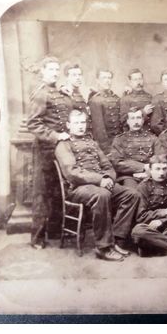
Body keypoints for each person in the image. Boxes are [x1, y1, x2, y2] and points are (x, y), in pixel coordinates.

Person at [54, 110, 139, 260]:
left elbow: (107, 165)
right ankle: (103, 247)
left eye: (83, 122)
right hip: (79, 188)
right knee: (103, 194)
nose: (80, 126)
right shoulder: (63, 145)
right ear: (68, 125)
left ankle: (117, 240)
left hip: (101, 183)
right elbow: (72, 173)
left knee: (132, 195)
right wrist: (100, 180)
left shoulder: (92, 143)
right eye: (76, 123)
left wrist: (108, 178)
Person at [27, 56, 72, 249]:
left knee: (59, 191)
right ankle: (37, 237)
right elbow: (33, 123)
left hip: (61, 149)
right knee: (42, 193)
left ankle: (55, 231)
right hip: (45, 149)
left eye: (56, 70)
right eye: (51, 70)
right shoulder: (40, 93)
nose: (54, 73)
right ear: (42, 71)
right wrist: (55, 135)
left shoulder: (59, 91)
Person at [109, 107, 163, 189]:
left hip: (150, 175)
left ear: (143, 120)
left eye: (138, 118)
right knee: (133, 192)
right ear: (128, 121)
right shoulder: (119, 140)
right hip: (129, 177)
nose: (136, 121)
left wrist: (149, 173)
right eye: (132, 118)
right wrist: (143, 167)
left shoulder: (153, 138)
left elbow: (160, 159)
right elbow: (117, 163)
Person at [88, 69, 121, 154]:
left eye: (109, 78)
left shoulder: (116, 98)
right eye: (104, 78)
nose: (107, 81)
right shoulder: (95, 100)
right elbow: (99, 130)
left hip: (119, 143)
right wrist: (107, 150)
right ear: (97, 80)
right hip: (107, 146)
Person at [60, 62, 92, 132]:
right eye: (74, 75)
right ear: (67, 78)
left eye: (79, 75)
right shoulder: (63, 95)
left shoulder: (81, 94)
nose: (78, 78)